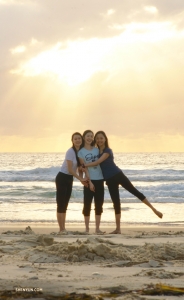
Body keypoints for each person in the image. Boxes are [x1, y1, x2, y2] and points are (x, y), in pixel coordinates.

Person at [84, 130, 163, 234]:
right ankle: (118, 229)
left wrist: (85, 165)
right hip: (109, 180)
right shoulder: (97, 152)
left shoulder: (108, 150)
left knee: (134, 191)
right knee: (116, 203)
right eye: (97, 138)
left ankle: (154, 209)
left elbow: (98, 162)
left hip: (118, 175)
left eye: (101, 138)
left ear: (105, 139)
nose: (99, 140)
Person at [55, 132, 88, 234]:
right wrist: (80, 179)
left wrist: (84, 178)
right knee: (60, 204)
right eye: (75, 139)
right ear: (72, 141)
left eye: (79, 139)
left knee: (65, 204)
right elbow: (70, 169)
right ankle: (61, 229)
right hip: (62, 177)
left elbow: (79, 168)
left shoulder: (80, 152)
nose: (78, 140)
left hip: (69, 179)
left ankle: (63, 228)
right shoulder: (70, 151)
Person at [78, 130, 105, 234]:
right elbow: (84, 167)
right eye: (88, 136)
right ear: (84, 137)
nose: (90, 138)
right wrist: (89, 182)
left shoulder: (97, 150)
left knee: (99, 204)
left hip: (100, 179)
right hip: (89, 180)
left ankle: (97, 229)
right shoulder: (81, 152)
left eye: (91, 136)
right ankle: (87, 229)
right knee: (87, 204)